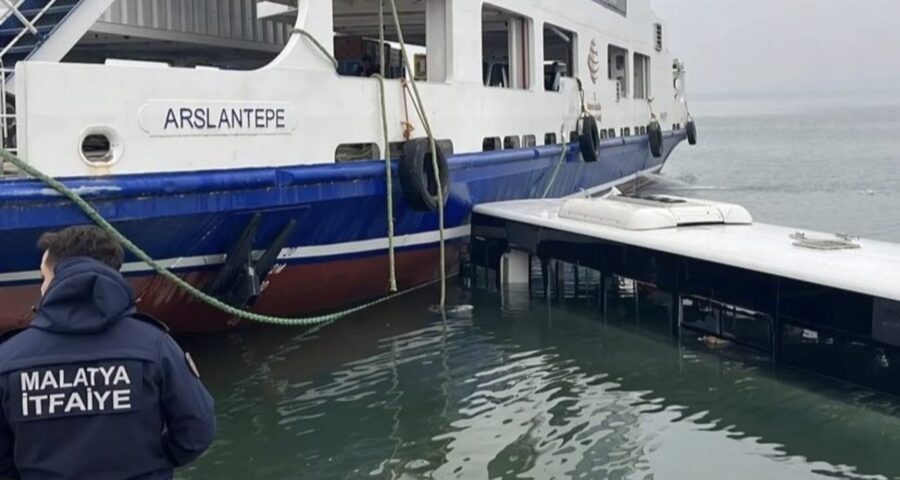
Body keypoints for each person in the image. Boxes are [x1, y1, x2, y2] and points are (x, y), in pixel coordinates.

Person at [0, 226, 216, 479]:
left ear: (59, 276)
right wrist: (156, 462)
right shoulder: (155, 346)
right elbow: (197, 431)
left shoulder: (9, 358)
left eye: (44, 277)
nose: (42, 287)